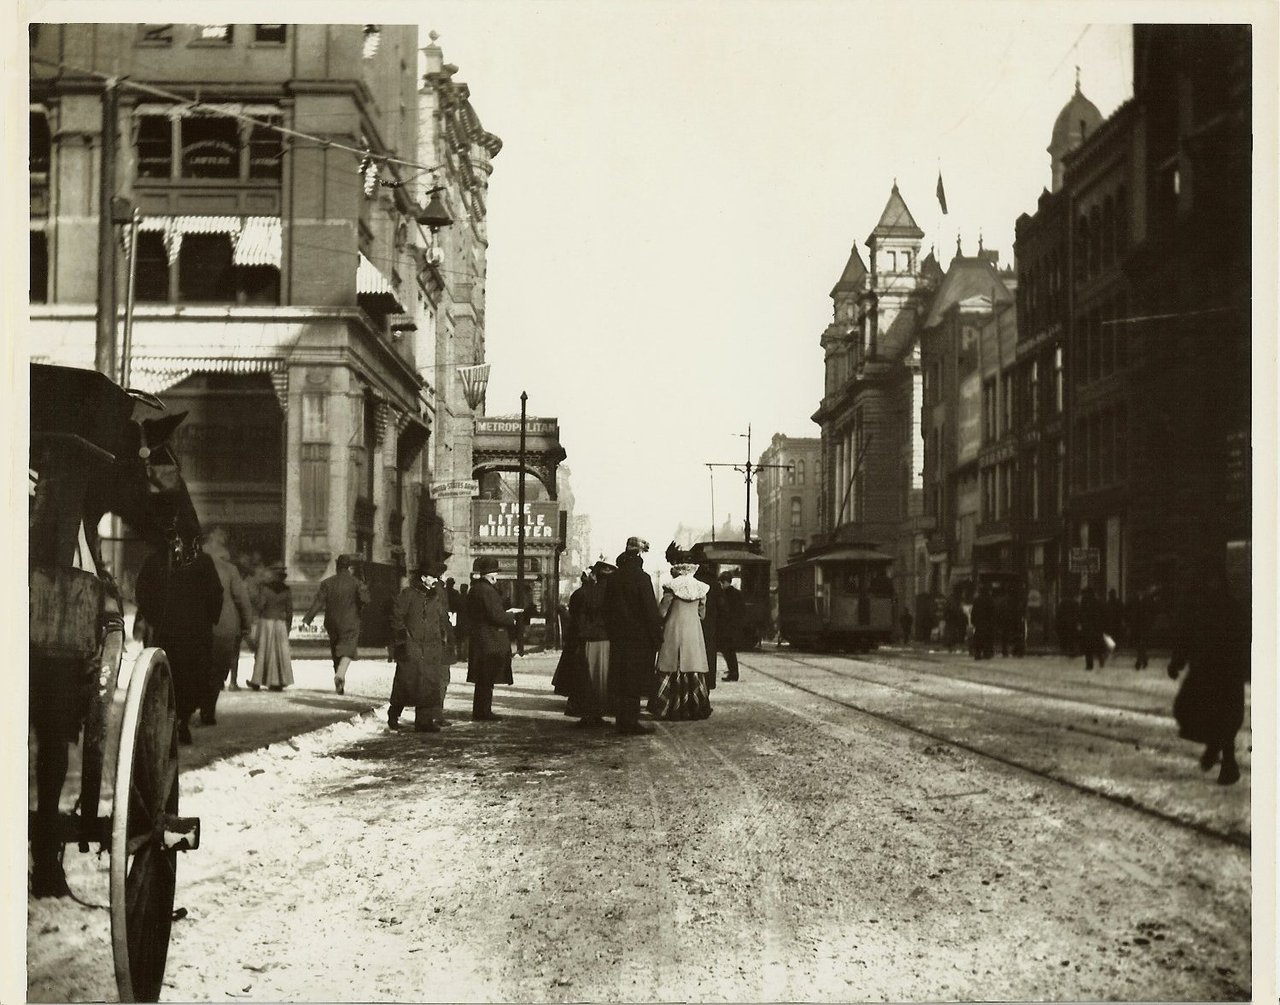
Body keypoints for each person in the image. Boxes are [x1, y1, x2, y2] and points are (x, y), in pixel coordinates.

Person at [135, 541, 225, 744]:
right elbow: (216, 595)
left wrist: (154, 618)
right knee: (193, 678)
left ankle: (171, 719)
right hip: (196, 635)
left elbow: (142, 591)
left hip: (167, 632)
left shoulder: (157, 560)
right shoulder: (203, 561)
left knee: (168, 677)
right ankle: (183, 719)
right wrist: (208, 620)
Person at [1167, 562, 1248, 786]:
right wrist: (1177, 661)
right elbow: (1186, 636)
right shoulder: (1200, 608)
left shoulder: (1230, 607)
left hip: (1225, 672)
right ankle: (1216, 747)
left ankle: (1227, 762)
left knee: (1224, 716)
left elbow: (1245, 639)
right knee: (1194, 712)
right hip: (1207, 671)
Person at [604, 539, 663, 735]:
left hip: (619, 638)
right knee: (634, 682)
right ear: (638, 556)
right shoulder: (642, 578)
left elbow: (608, 610)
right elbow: (650, 611)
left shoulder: (613, 578)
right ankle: (631, 722)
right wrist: (657, 638)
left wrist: (613, 633)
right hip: (639, 640)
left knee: (621, 681)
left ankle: (621, 721)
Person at [388, 562, 451, 732]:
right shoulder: (408, 594)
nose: (435, 580)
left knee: (429, 686)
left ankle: (423, 722)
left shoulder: (436, 596)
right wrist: (403, 641)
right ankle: (393, 714)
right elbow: (396, 617)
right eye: (432, 577)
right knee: (406, 683)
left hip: (432, 648)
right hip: (412, 646)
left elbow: (441, 619)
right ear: (423, 578)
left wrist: (443, 638)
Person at [302, 553, 370, 695]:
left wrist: (307, 619)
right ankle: (340, 675)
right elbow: (365, 600)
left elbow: (318, 603)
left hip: (332, 622)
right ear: (349, 567)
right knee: (348, 650)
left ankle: (339, 684)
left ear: (337, 566)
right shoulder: (356, 583)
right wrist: (364, 587)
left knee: (335, 651)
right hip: (350, 622)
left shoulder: (327, 583)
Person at [652, 560, 711, 720]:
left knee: (673, 663)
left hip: (674, 629)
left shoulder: (671, 587)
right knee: (692, 664)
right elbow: (702, 615)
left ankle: (671, 706)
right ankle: (694, 706)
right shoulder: (701, 588)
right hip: (693, 630)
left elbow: (662, 612)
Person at [203, 531, 254, 719]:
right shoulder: (230, 570)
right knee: (218, 670)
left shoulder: (192, 567)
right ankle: (208, 711)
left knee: (197, 667)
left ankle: (189, 711)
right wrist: (247, 624)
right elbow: (242, 599)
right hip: (224, 628)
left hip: (197, 627)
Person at [466, 556, 520, 721]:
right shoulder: (487, 591)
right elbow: (495, 615)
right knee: (487, 679)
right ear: (490, 574)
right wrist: (511, 618)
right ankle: (483, 712)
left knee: (483, 679)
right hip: (489, 641)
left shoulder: (475, 589)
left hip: (481, 639)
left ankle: (481, 711)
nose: (496, 576)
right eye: (495, 572)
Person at [577, 561, 615, 725]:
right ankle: (599, 712)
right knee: (603, 677)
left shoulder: (586, 592)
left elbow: (579, 618)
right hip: (606, 638)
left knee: (588, 676)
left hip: (588, 639)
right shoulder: (613, 594)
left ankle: (589, 713)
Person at [249, 562, 294, 691]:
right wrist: (288, 627)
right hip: (280, 623)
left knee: (263, 651)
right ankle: (278, 681)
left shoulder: (265, 588)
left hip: (266, 621)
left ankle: (257, 681)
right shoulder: (286, 590)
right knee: (279, 653)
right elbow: (290, 610)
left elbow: (261, 605)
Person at [552, 573, 590, 716]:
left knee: (572, 667)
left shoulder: (578, 593)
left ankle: (572, 696)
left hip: (574, 635)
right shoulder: (588, 594)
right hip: (582, 635)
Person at [695, 562, 721, 694]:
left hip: (695, 622)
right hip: (711, 625)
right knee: (709, 653)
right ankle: (708, 683)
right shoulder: (715, 582)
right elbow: (722, 606)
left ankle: (695, 685)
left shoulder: (694, 580)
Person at [717, 571, 745, 681]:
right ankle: (733, 672)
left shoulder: (724, 594)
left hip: (726, 628)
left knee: (728, 651)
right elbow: (742, 611)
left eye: (721, 583)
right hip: (734, 627)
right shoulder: (737, 593)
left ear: (724, 582)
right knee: (730, 651)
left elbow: (723, 611)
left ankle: (733, 673)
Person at [1078, 586, 1106, 670]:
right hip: (1095, 627)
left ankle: (1089, 665)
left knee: (1088, 647)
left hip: (1088, 627)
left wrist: (1082, 623)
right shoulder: (1097, 602)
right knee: (1096, 645)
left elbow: (1081, 613)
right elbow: (1102, 614)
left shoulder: (1085, 602)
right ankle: (1100, 658)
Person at [1128, 586, 1155, 670]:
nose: (1140, 592)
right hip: (1137, 625)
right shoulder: (1134, 600)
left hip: (1143, 625)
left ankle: (1139, 662)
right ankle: (1144, 660)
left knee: (1141, 644)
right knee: (1139, 644)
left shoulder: (1147, 600)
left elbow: (1151, 612)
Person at [970, 584, 995, 660]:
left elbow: (973, 612)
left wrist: (973, 621)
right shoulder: (990, 599)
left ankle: (977, 653)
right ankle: (987, 653)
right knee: (987, 638)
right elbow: (993, 612)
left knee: (978, 637)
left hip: (979, 622)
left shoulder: (977, 600)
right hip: (987, 622)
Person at [1055, 589, 1079, 658]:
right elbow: (1078, 613)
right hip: (1072, 623)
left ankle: (1064, 649)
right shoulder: (1075, 603)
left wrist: (1058, 621)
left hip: (1063, 623)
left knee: (1064, 637)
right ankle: (1071, 650)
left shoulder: (1062, 603)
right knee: (1071, 637)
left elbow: (1058, 614)